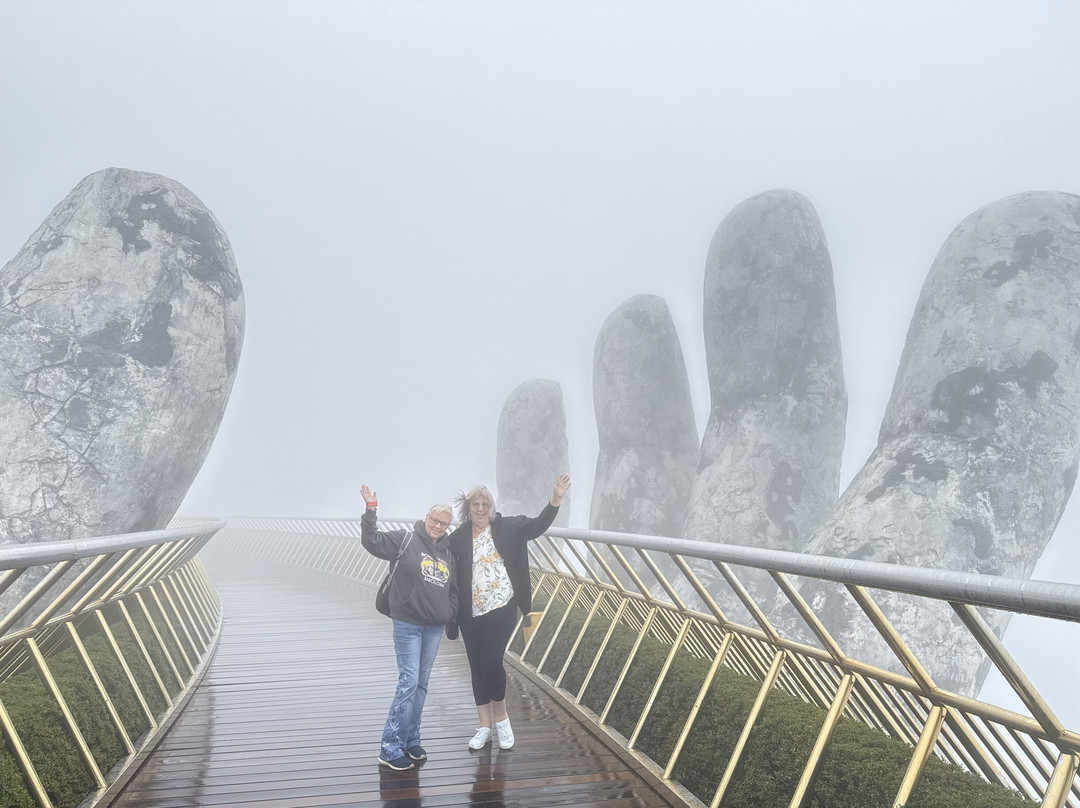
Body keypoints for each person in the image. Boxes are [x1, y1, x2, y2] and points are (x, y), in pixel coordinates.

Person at [448, 474, 571, 751]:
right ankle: (483, 727)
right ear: (468, 508)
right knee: (477, 667)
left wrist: (556, 498)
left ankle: (502, 720)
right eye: (475, 504)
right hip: (469, 614)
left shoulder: (509, 527)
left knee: (492, 662)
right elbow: (440, 560)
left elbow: (538, 526)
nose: (480, 508)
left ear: (491, 507)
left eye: (485, 503)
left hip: (501, 608)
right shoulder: (457, 538)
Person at [361, 484, 457, 771]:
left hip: (434, 627)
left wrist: (449, 611)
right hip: (408, 624)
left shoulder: (450, 552)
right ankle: (390, 748)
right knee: (408, 682)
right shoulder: (405, 539)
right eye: (434, 520)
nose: (438, 526)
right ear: (426, 518)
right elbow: (372, 541)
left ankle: (411, 740)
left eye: (444, 523)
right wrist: (371, 510)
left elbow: (454, 589)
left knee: (422, 684)